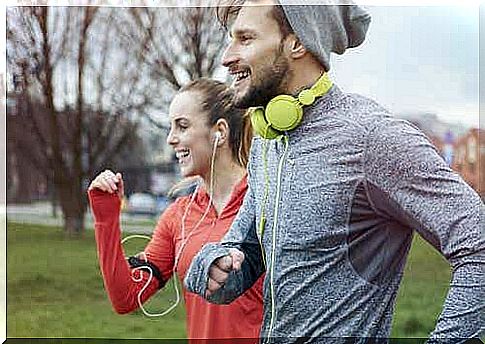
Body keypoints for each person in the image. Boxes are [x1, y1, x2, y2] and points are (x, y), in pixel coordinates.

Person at [184, 1, 485, 343]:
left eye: (245, 38)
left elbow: (479, 241)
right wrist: (216, 263)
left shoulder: (373, 137)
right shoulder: (269, 140)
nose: (227, 56)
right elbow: (245, 249)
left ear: (296, 43)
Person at [87, 78, 264, 341]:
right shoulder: (178, 215)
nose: (171, 139)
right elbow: (125, 297)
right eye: (171, 128)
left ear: (220, 132)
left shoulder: (266, 201)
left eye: (182, 126)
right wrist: (106, 218)